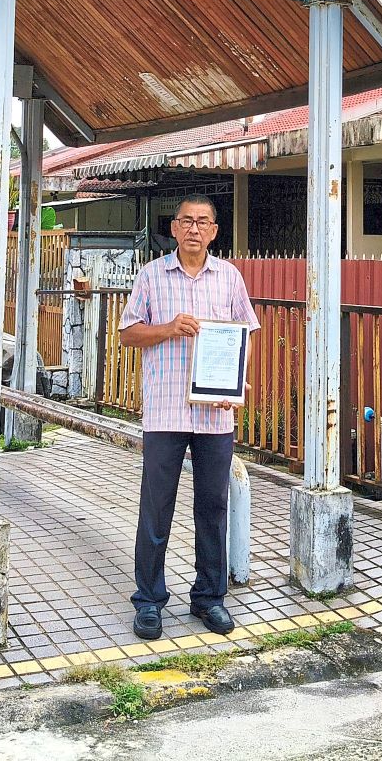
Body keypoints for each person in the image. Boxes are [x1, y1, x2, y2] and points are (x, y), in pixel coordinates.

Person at [119, 195, 259, 639]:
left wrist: (234, 383)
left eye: (204, 222)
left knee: (214, 507)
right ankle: (149, 601)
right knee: (156, 508)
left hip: (215, 416)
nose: (195, 229)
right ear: (174, 228)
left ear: (215, 231)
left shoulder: (230, 278)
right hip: (165, 410)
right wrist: (169, 328)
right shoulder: (152, 276)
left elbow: (245, 334)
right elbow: (127, 333)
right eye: (186, 221)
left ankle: (209, 598)